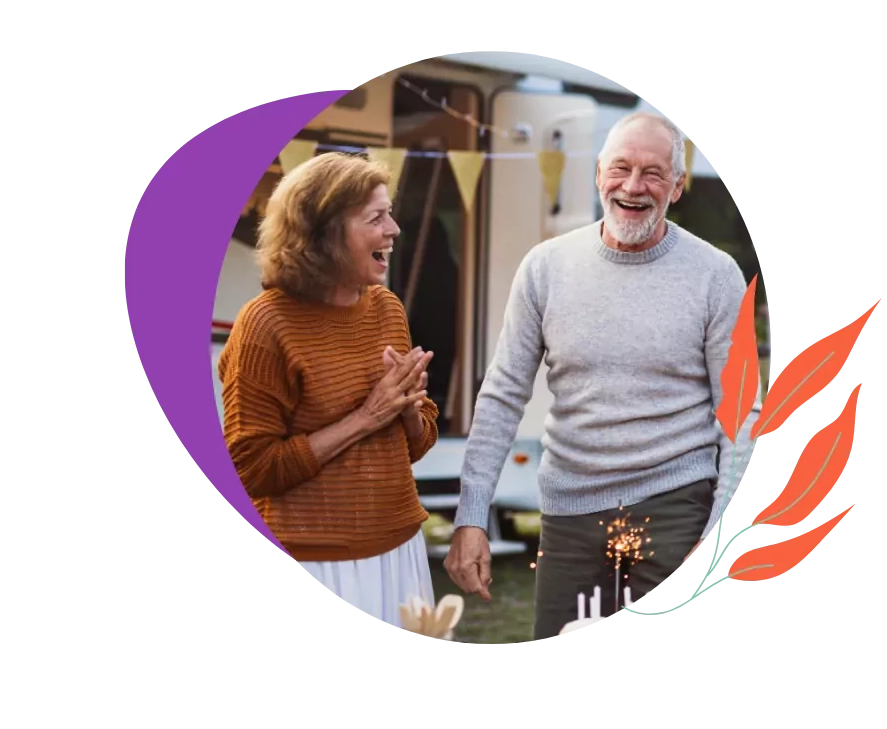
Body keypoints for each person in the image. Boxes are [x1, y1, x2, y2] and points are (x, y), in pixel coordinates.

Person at [443, 112, 762, 641]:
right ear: (597, 174)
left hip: (675, 506)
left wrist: (720, 531)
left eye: (654, 173)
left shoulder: (715, 275)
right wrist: (471, 516)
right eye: (620, 168)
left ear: (678, 187)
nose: (633, 187)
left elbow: (741, 412)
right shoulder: (544, 267)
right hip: (568, 513)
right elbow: (502, 396)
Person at [218, 151, 440, 631]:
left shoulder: (386, 308)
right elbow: (251, 469)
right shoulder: (265, 324)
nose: (395, 228)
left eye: (390, 213)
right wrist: (367, 415)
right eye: (376, 217)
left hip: (399, 550)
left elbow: (418, 445)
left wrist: (405, 409)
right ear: (323, 235)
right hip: (316, 560)